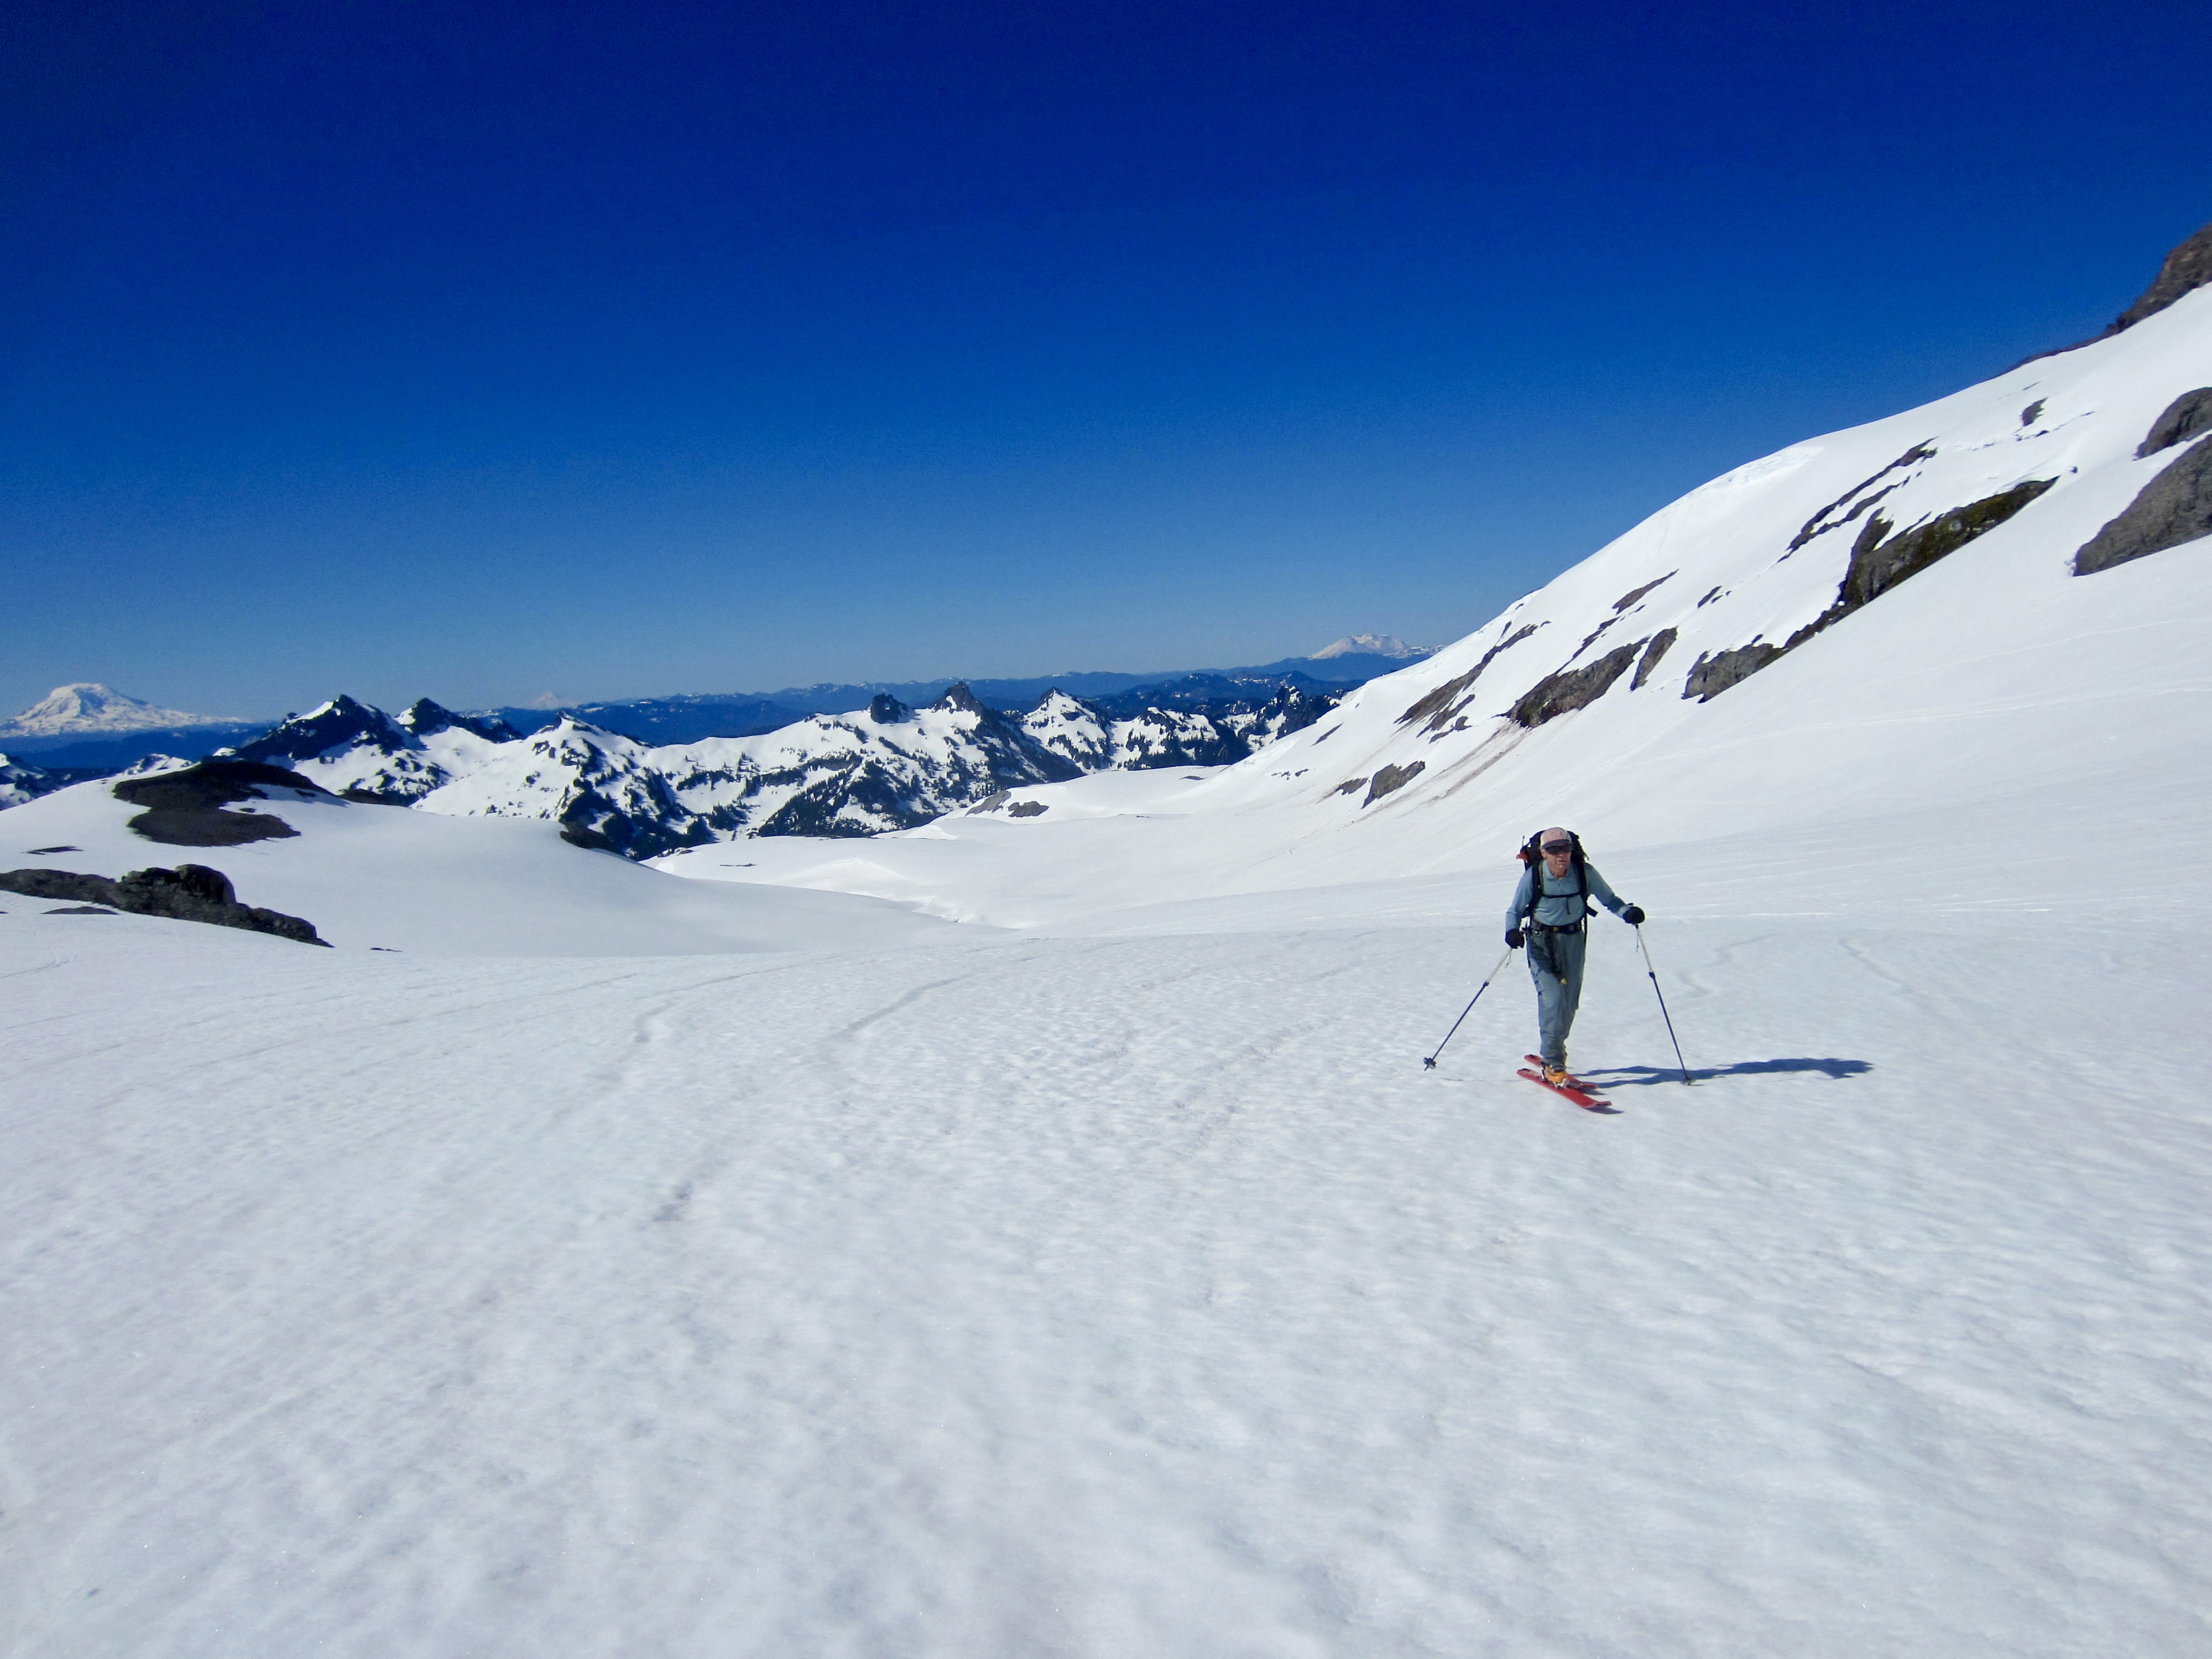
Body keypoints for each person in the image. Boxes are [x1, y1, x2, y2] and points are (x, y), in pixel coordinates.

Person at [1504, 827, 1644, 1086]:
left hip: (1574, 941)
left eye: (1565, 849)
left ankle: (1556, 1048)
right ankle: (1553, 1061)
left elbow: (1610, 900)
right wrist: (1512, 931)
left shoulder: (1584, 873)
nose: (1561, 855)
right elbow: (1514, 910)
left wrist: (1627, 913)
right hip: (1541, 942)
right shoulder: (1534, 876)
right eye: (1554, 850)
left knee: (1569, 1003)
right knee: (1553, 999)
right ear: (1543, 853)